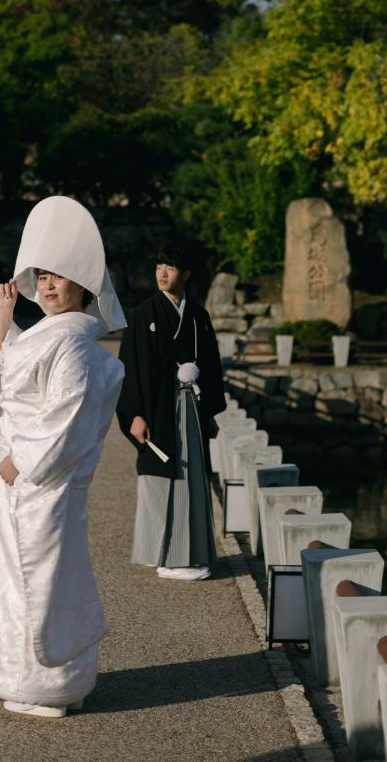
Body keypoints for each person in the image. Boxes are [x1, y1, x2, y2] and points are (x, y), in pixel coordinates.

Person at [0, 196, 126, 719]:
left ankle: (50, 685)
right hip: (19, 485)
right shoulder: (49, 336)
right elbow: (1, 370)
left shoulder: (77, 347)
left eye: (58, 277)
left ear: (82, 286)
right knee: (19, 581)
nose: (46, 285)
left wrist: (20, 462)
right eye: (40, 276)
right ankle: (36, 680)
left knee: (40, 582)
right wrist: (4, 314)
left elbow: (64, 418)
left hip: (41, 485)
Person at [116, 242, 224, 581]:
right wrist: (134, 413)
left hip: (190, 403)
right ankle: (171, 559)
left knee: (190, 476)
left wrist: (208, 413)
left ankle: (178, 552)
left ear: (186, 274)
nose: (162, 273)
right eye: (159, 266)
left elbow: (210, 365)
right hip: (158, 406)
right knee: (160, 475)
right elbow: (131, 368)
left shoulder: (198, 316)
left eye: (171, 268)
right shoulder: (144, 314)